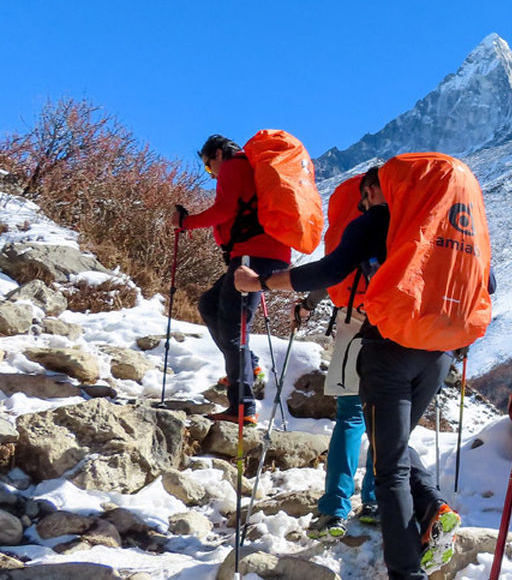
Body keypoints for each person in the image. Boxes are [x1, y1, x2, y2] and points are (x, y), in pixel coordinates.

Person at [235, 162, 491, 578]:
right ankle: (432, 506)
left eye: (367, 193)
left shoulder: (379, 219)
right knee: (394, 442)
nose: (364, 201)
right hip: (439, 352)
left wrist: (259, 284)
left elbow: (329, 270)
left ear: (380, 188)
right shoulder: (452, 226)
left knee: (388, 467)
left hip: (388, 347)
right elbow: (488, 283)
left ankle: (407, 571)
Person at [174, 134, 289, 425]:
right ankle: (248, 366)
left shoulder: (234, 166)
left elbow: (223, 211)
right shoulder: (245, 168)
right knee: (210, 304)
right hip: (258, 254)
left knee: (233, 327)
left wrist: (186, 222)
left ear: (217, 154)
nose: (211, 173)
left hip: (253, 255)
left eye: (208, 166)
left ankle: (243, 406)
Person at [294, 289, 378, 539]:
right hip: (395, 337)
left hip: (354, 330)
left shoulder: (356, 247)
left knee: (350, 420)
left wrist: (306, 305)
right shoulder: (413, 247)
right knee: (383, 423)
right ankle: (376, 502)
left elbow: (331, 270)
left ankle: (334, 509)